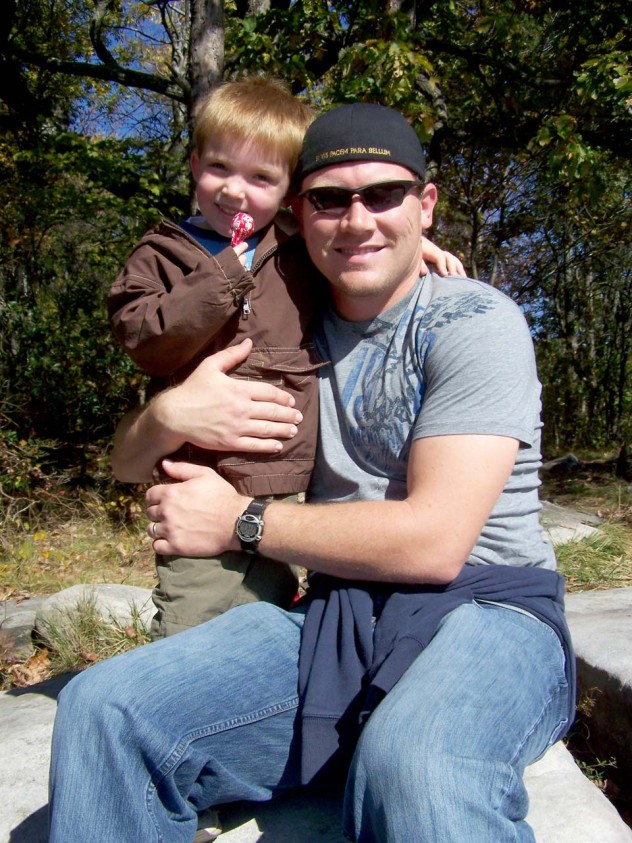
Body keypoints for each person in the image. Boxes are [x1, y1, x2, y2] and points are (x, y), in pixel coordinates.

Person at [49, 102, 574, 843]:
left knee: (416, 764)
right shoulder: (283, 322)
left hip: (489, 611)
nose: (357, 220)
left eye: (384, 194)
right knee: (104, 706)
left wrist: (241, 519)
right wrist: (172, 416)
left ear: (425, 205)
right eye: (331, 198)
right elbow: (124, 463)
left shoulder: (473, 320)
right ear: (298, 215)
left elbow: (435, 543)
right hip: (336, 618)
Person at [108, 77, 465, 639]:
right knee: (202, 632)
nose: (234, 191)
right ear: (195, 164)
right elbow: (145, 341)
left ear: (288, 193)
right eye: (219, 168)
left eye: (261, 178)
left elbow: (351, 242)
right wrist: (229, 268)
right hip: (206, 480)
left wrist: (413, 242)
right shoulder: (162, 254)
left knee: (281, 630)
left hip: (300, 486)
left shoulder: (294, 247)